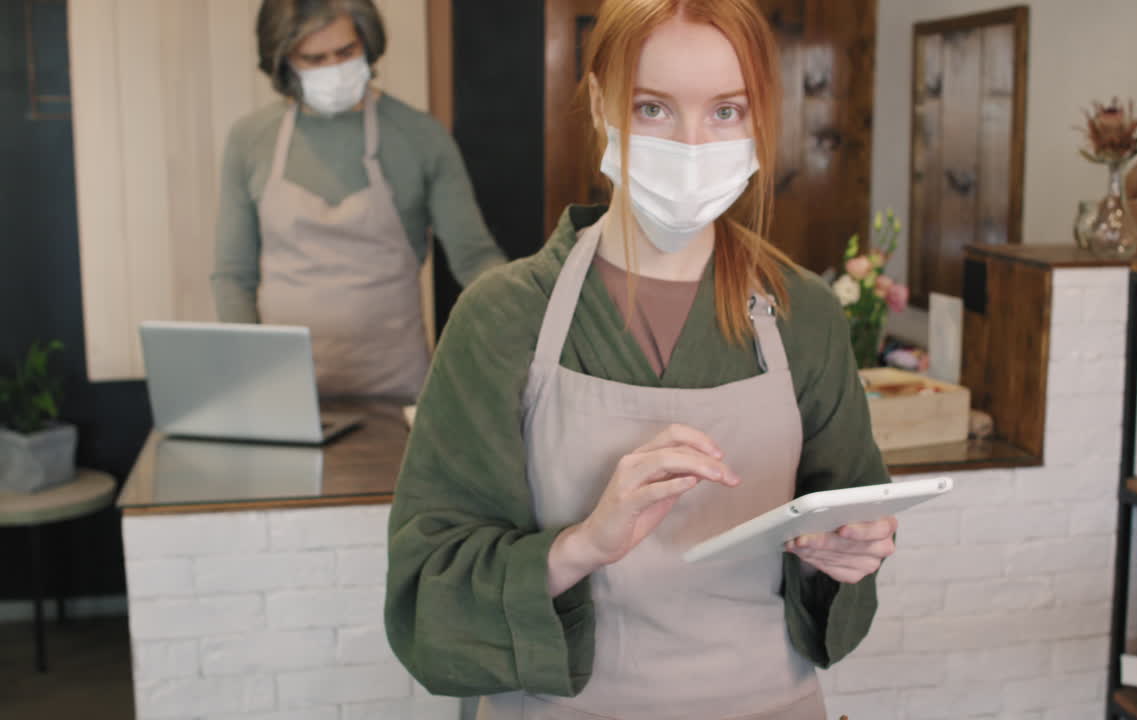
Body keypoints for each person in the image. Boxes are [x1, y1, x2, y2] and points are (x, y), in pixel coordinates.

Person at [384, 1, 897, 717]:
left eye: (725, 112)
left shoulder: (802, 314)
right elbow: (426, 582)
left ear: (760, 118)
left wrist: (850, 553)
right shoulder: (504, 318)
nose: (691, 146)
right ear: (601, 103)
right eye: (653, 108)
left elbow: (847, 537)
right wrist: (581, 545)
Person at [211, 0, 505, 403]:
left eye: (346, 53)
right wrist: (250, 374)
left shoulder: (421, 137)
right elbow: (232, 275)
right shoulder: (250, 139)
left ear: (367, 44)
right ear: (283, 62)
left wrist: (522, 311)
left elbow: (474, 259)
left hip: (395, 385)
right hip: (282, 387)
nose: (334, 68)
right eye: (314, 58)